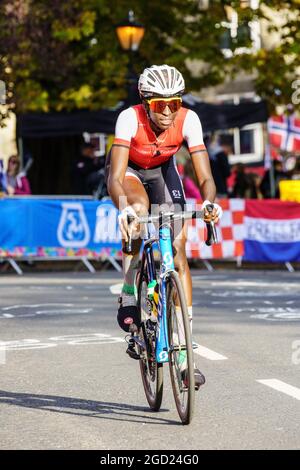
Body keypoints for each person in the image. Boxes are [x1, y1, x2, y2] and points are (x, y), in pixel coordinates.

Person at [106, 64, 223, 389]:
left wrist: (209, 202)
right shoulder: (129, 118)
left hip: (162, 171)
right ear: (146, 102)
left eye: (176, 103)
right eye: (160, 105)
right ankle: (130, 291)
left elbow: (205, 177)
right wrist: (124, 209)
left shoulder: (190, 119)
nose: (169, 111)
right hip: (129, 171)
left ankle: (184, 353)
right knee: (140, 210)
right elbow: (115, 178)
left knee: (178, 248)